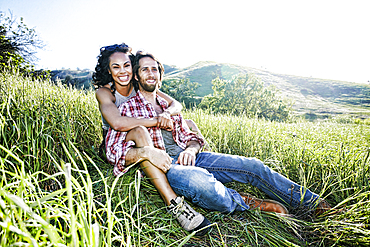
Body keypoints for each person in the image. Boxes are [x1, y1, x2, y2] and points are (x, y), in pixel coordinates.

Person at [106, 50, 333, 225]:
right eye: (144, 70)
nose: (150, 74)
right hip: (168, 167)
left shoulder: (168, 106)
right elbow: (112, 151)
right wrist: (147, 153)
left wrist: (191, 150)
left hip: (194, 158)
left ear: (160, 74)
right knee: (200, 182)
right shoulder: (129, 108)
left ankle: (312, 203)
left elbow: (192, 136)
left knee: (252, 166)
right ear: (136, 75)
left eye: (154, 69)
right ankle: (243, 201)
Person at [92, 43, 211, 236]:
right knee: (139, 131)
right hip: (117, 141)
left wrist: (166, 114)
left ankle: (160, 155)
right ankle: (173, 203)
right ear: (108, 70)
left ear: (132, 67)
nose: (123, 71)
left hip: (143, 134)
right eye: (116, 67)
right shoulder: (105, 92)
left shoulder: (136, 84)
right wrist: (157, 120)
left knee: (182, 124)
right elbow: (118, 124)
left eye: (126, 65)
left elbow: (175, 104)